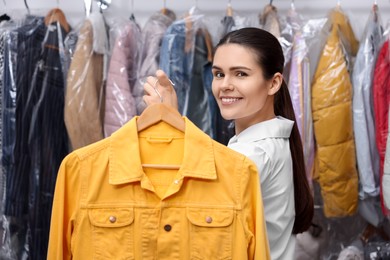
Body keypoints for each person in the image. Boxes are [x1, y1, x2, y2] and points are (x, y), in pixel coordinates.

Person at [143, 27, 314, 260]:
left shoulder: (253, 153)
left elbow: (186, 213)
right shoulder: (265, 141)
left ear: (273, 83)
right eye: (219, 74)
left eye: (241, 74)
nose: (224, 85)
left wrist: (170, 122)